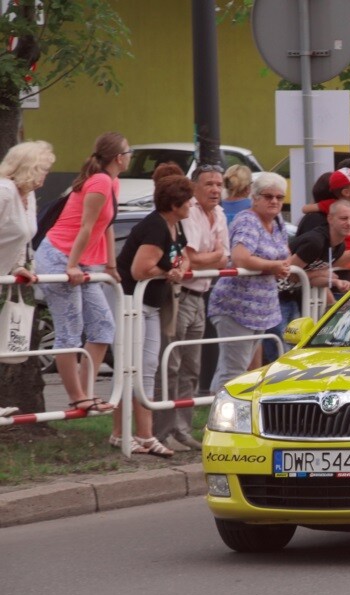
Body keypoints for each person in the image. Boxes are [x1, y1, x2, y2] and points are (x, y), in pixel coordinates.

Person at [35, 132, 129, 413]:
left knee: (103, 328)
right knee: (70, 331)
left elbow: (108, 224)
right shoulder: (99, 181)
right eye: (128, 151)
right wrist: (71, 265)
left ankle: (86, 392)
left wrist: (111, 264)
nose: (130, 155)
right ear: (118, 157)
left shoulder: (112, 182)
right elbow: (86, 226)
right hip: (59, 256)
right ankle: (77, 396)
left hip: (86, 260)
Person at [109, 164, 191, 457]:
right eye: (188, 201)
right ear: (174, 204)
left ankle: (142, 435)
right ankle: (128, 434)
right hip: (132, 304)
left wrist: (178, 269)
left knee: (147, 369)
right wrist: (168, 273)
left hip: (151, 306)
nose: (191, 205)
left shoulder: (174, 224)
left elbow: (182, 255)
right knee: (132, 369)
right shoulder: (155, 226)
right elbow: (140, 269)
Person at [152, 163, 229, 451]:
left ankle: (182, 429)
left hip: (201, 296)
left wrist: (213, 256)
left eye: (219, 184)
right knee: (170, 364)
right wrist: (215, 255)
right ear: (194, 188)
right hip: (179, 294)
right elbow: (193, 258)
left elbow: (226, 257)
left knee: (191, 367)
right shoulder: (189, 212)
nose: (215, 189)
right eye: (209, 183)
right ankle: (161, 432)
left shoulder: (219, 213)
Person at [207, 172, 290, 393]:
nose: (274, 201)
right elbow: (241, 257)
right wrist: (273, 266)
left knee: (241, 369)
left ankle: (218, 415)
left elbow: (285, 254)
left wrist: (280, 265)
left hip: (259, 311)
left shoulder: (278, 222)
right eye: (268, 196)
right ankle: (219, 420)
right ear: (254, 197)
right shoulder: (247, 220)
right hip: (236, 307)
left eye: (279, 197)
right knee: (233, 371)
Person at [0, 140, 55, 418]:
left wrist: (19, 266)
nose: (46, 174)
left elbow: (23, 237)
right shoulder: (4, 191)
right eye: (43, 168)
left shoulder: (27, 195)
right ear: (29, 168)